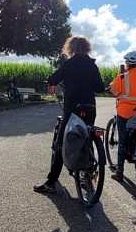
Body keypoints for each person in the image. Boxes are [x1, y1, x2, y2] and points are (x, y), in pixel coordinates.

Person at [34, 36, 105, 194]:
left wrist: (52, 82)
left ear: (70, 48)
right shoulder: (92, 65)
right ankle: (87, 177)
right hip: (89, 106)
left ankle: (51, 183)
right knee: (88, 136)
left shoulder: (69, 64)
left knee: (61, 142)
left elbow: (53, 79)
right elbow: (100, 87)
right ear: (87, 48)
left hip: (72, 108)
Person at [108, 51, 136, 181]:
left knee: (122, 140)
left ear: (127, 64)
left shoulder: (122, 77)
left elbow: (113, 90)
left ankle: (119, 172)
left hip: (125, 114)